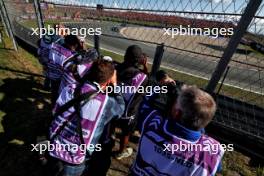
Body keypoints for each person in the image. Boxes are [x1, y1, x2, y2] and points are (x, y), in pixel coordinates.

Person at [47, 59, 125, 176]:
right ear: (108, 81)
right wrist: (115, 85)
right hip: (75, 158)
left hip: (54, 146)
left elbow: (55, 111)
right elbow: (121, 109)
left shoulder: (70, 88)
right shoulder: (106, 103)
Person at [131, 85, 224, 176]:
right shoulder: (213, 150)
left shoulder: (153, 123)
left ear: (177, 113)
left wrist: (159, 86)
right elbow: (217, 167)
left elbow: (143, 104)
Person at [114, 45, 149, 160]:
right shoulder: (142, 78)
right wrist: (145, 66)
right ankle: (121, 152)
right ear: (140, 60)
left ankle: (108, 141)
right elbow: (146, 80)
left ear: (125, 56)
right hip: (128, 114)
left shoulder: (114, 68)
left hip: (113, 107)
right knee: (126, 133)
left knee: (111, 125)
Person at [48, 34, 81, 106]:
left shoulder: (54, 46)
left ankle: (53, 105)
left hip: (51, 73)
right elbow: (73, 70)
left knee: (53, 92)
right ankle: (56, 107)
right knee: (59, 94)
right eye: (76, 45)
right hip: (59, 77)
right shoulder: (69, 56)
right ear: (74, 45)